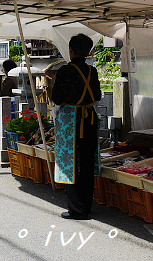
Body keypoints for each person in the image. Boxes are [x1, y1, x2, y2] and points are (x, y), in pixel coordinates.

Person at [51, 33, 101, 220]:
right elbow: (97, 96)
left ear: (70, 51)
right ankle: (86, 206)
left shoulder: (65, 71)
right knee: (86, 163)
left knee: (70, 163)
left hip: (71, 121)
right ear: (88, 52)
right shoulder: (92, 71)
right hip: (89, 120)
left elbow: (56, 97)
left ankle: (76, 209)